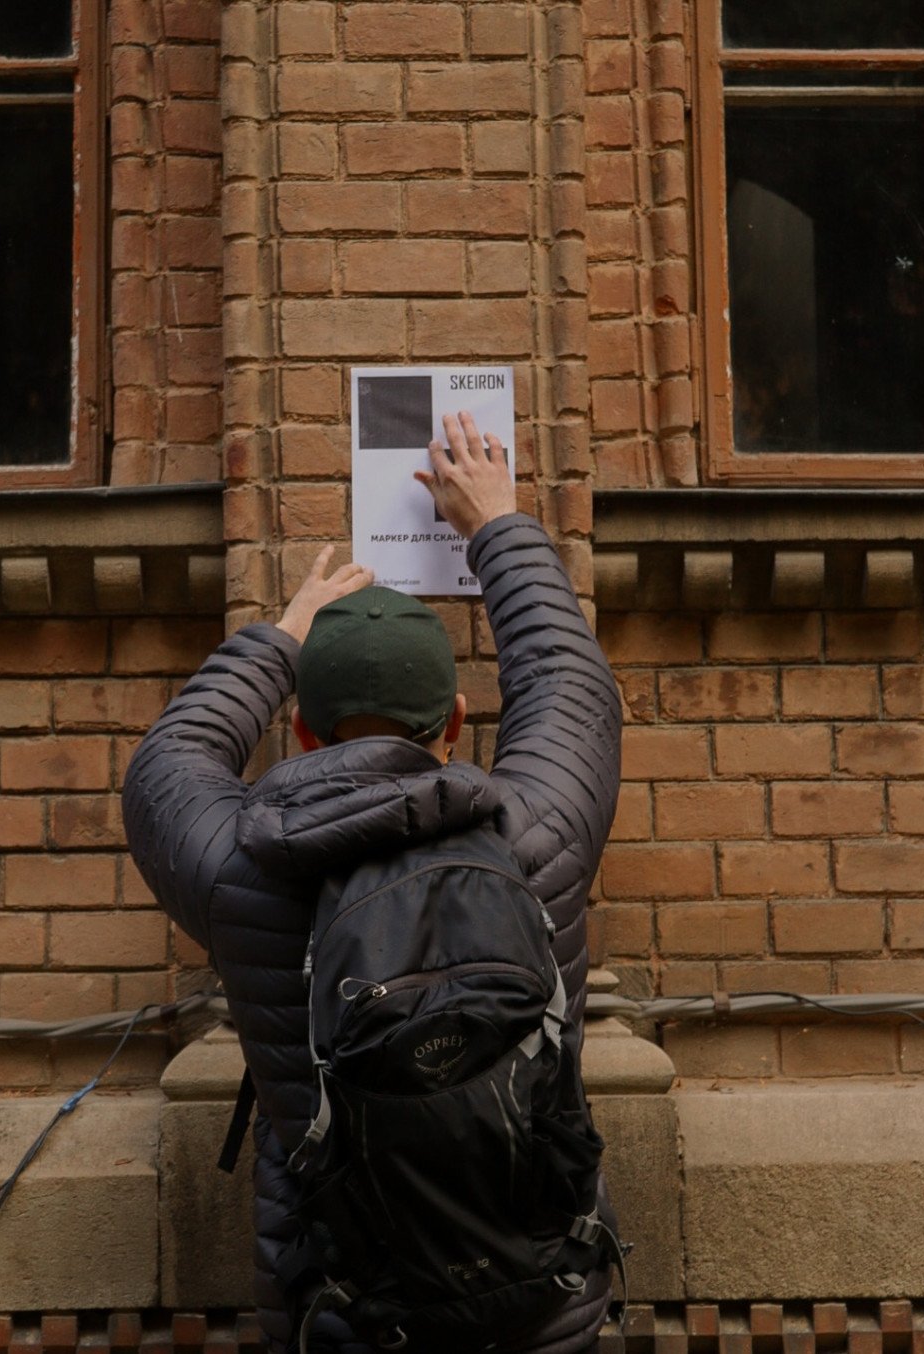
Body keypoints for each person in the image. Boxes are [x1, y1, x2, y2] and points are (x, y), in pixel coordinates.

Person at [122, 411, 623, 1354]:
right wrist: (496, 526)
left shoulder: (243, 871)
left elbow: (168, 764)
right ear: (458, 721)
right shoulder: (536, 834)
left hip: (352, 1313)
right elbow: (570, 683)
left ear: (302, 732)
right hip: (543, 1308)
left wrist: (283, 638)